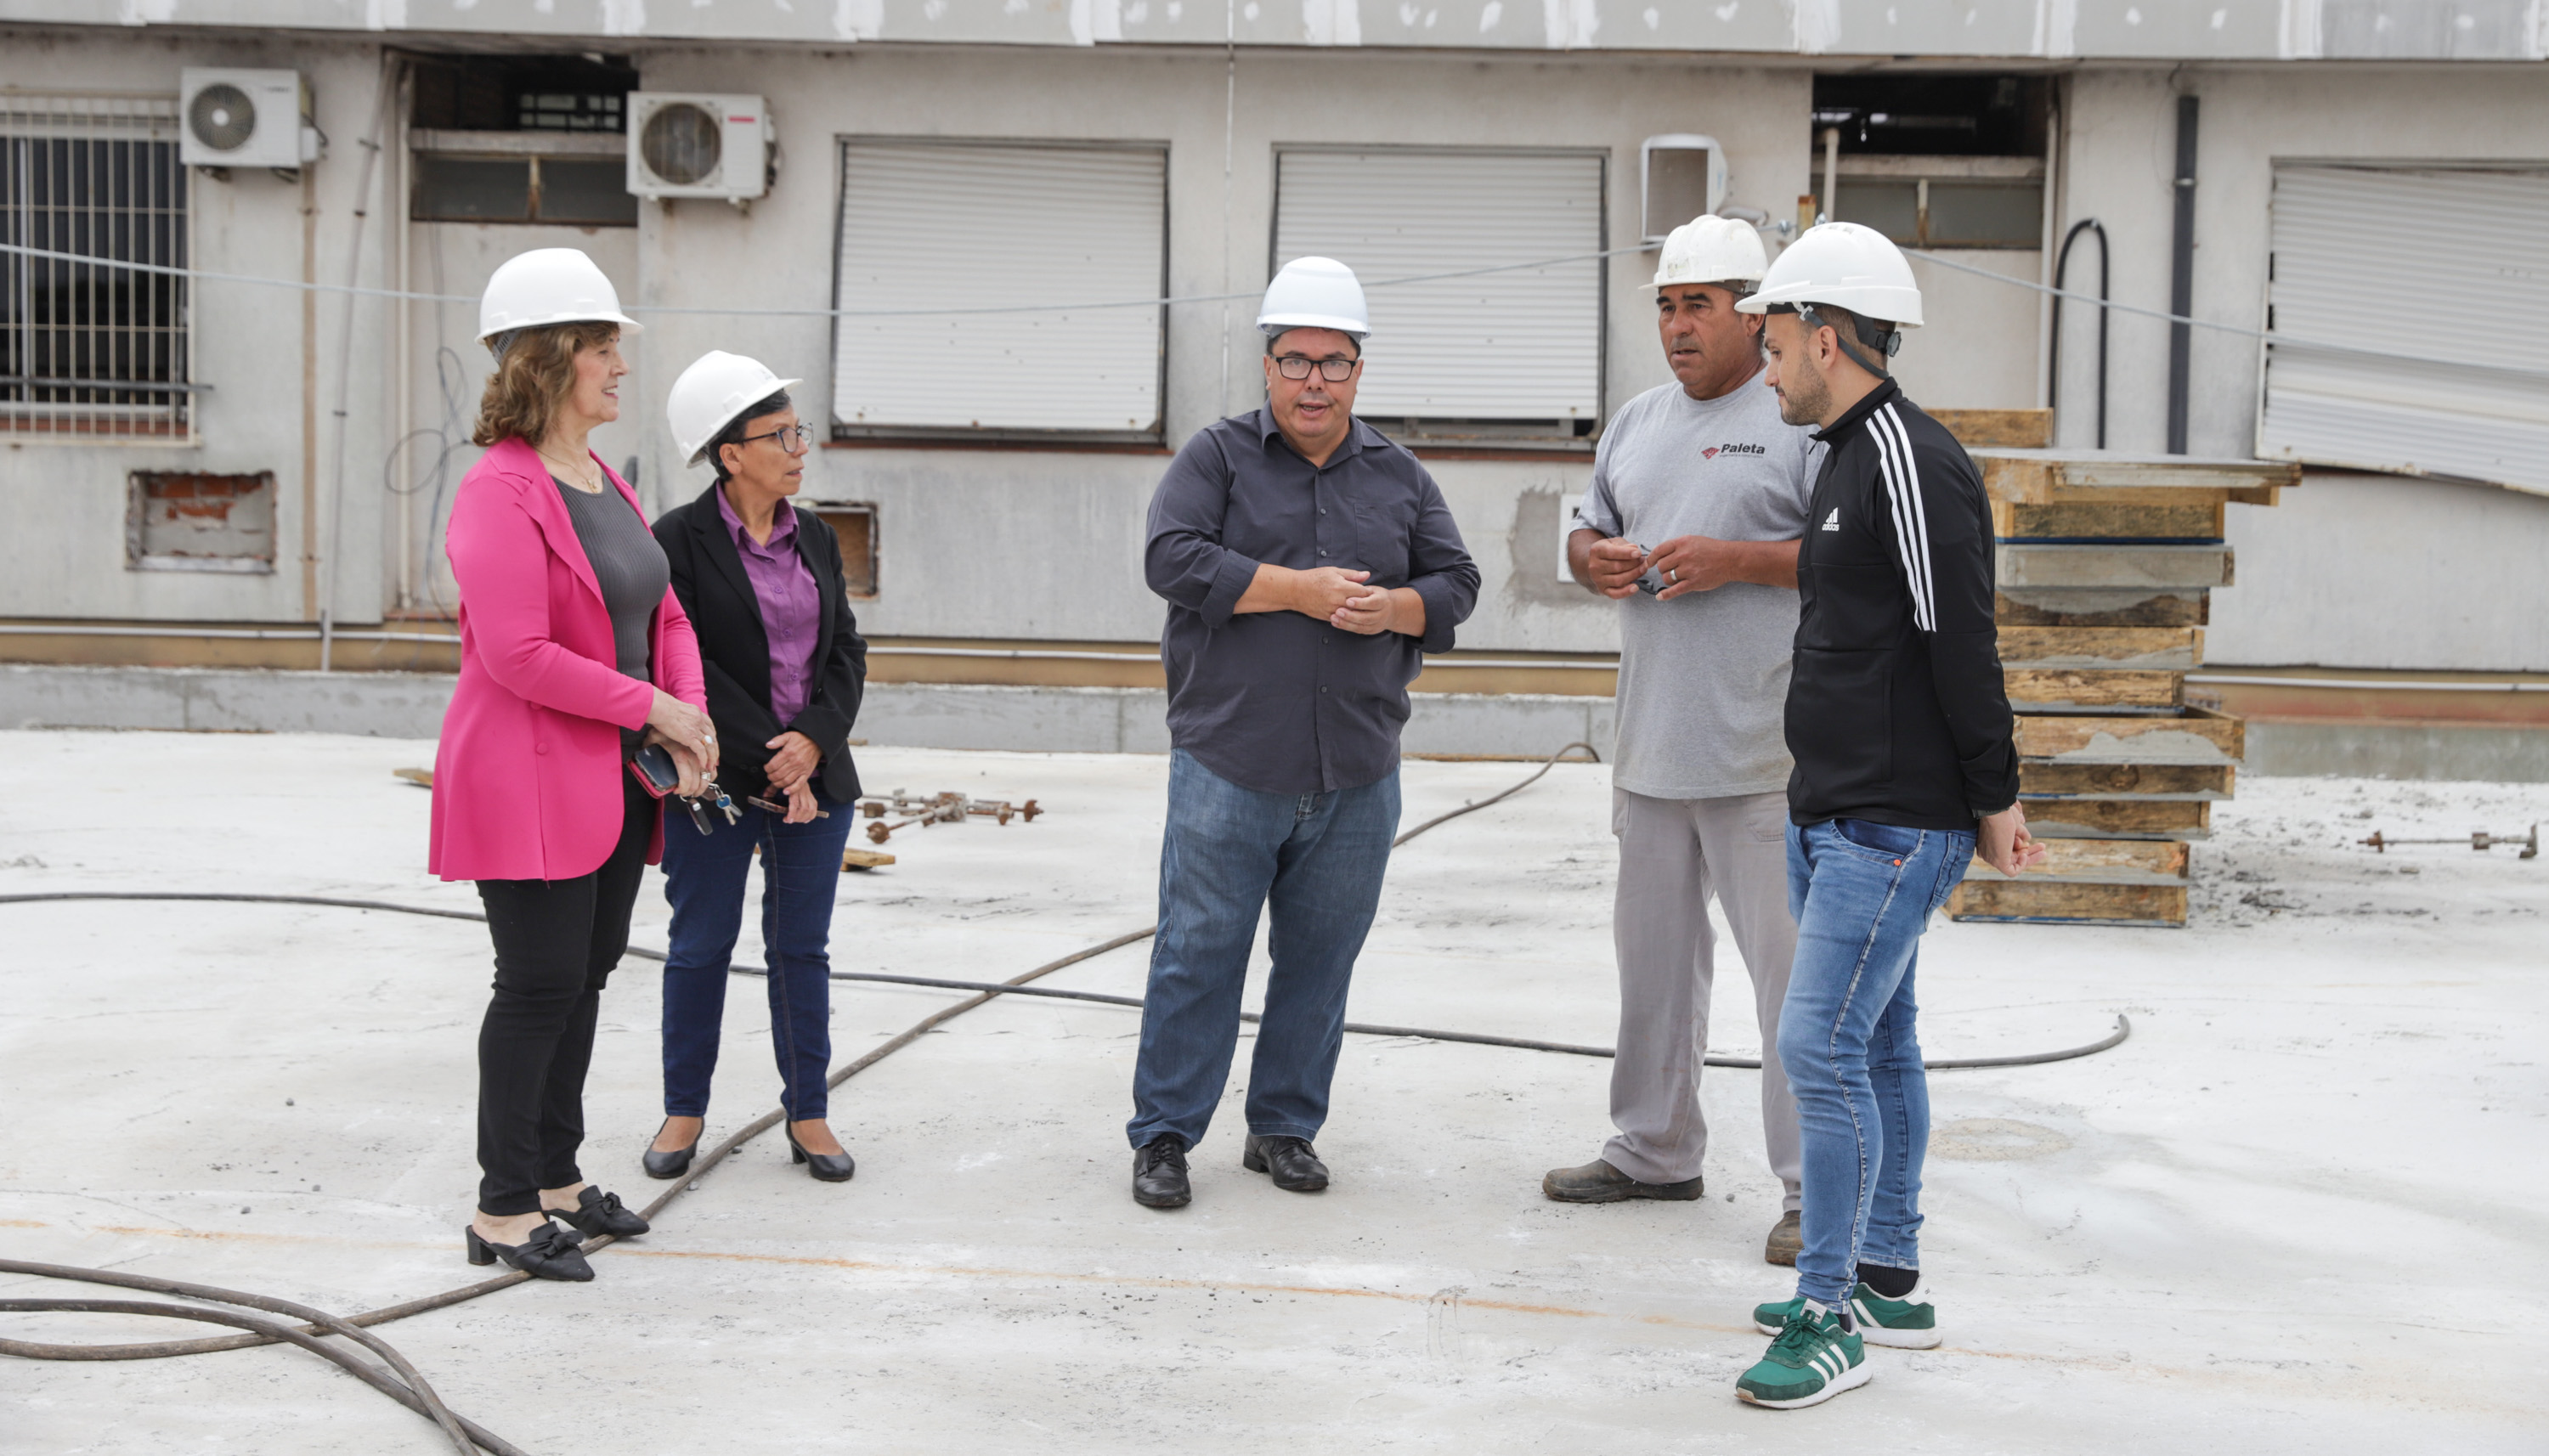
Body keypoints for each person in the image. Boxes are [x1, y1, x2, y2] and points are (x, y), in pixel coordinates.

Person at [1727, 223, 2045, 1408]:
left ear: (1826, 337)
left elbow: (1960, 634)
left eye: (1772, 346)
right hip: (1836, 809)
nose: (1765, 370)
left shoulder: (1909, 458)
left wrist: (1995, 795)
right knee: (1876, 1039)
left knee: (1819, 1046)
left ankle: (1828, 1315)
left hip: (1894, 820)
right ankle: (1888, 1277)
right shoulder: (1844, 457)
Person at [1127, 256, 1480, 1209]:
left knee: (1322, 959)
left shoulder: (1397, 475)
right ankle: (1164, 1134)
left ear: (1359, 371)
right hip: (1231, 761)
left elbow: (1457, 582)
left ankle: (1284, 1125)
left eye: (1332, 362)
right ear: (1268, 365)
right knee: (1200, 948)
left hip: (1358, 768)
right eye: (1294, 360)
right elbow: (1170, 556)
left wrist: (1397, 607)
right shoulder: (1217, 458)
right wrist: (1299, 590)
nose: (1313, 380)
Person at [430, 247, 719, 1283]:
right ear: (551, 358)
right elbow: (517, 655)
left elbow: (663, 605)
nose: (618, 364)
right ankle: (501, 1208)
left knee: (585, 977)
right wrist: (652, 706)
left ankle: (554, 1177)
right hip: (527, 774)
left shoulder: (603, 481)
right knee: (539, 982)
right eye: (603, 346)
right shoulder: (497, 493)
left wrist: (685, 718)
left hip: (605, 777)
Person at [1543, 216, 1820, 1267]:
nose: (1676, 326)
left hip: (1765, 757)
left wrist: (1735, 561)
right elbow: (1586, 521)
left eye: (1697, 304)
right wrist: (1590, 557)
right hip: (1654, 748)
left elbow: (1843, 560)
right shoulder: (1638, 421)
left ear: (1753, 313)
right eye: (1664, 305)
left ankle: (1810, 1188)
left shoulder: (1798, 419)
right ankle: (1655, 1148)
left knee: (1791, 984)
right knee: (1652, 970)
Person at [643, 351, 869, 1184]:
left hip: (818, 771)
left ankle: (807, 1113)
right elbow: (686, 664)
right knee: (700, 944)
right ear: (730, 453)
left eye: (796, 430)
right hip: (716, 780)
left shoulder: (813, 534)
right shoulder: (678, 540)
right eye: (780, 435)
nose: (799, 447)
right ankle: (683, 1110)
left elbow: (845, 649)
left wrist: (813, 739)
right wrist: (777, 760)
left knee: (800, 949)